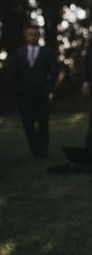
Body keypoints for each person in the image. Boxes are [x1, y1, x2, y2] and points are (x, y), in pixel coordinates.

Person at [11, 25, 59, 158]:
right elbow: (15, 74)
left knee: (43, 123)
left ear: (39, 36)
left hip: (42, 94)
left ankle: (43, 151)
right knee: (28, 123)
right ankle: (35, 149)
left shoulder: (48, 52)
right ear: (26, 36)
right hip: (25, 95)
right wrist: (19, 91)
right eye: (30, 34)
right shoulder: (19, 53)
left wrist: (49, 89)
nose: (33, 36)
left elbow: (54, 71)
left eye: (36, 34)